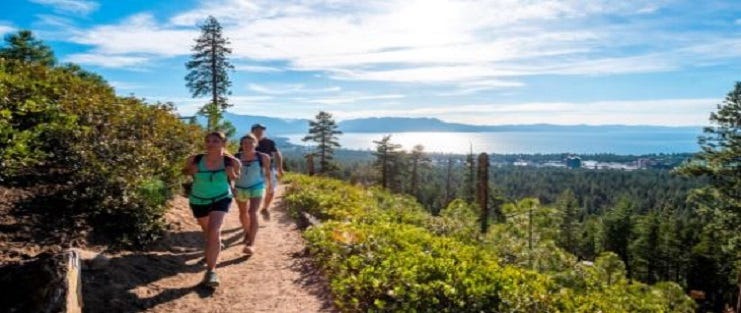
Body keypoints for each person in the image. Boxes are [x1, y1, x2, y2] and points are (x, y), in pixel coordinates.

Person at [182, 131, 241, 287]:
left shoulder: (231, 161)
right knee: (208, 232)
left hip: (221, 197)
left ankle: (211, 272)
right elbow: (185, 172)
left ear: (223, 143)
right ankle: (213, 247)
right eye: (208, 141)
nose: (211, 143)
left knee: (214, 230)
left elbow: (236, 177)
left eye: (215, 141)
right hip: (198, 199)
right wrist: (190, 171)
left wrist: (232, 175)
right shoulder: (194, 159)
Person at [233, 134, 271, 256]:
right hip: (240, 188)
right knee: (243, 212)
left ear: (256, 144)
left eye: (251, 143)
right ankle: (247, 231)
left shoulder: (263, 157)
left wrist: (269, 186)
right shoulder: (235, 158)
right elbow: (229, 175)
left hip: (257, 187)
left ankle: (251, 244)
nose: (248, 145)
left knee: (252, 212)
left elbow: (267, 173)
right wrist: (231, 187)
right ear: (241, 144)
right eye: (245, 143)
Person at [251, 124, 284, 219]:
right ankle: (253, 211)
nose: (260, 132)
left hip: (269, 169)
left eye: (262, 130)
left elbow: (277, 154)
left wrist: (280, 168)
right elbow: (241, 155)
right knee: (255, 191)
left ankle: (265, 207)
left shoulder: (269, 142)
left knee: (271, 190)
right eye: (258, 130)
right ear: (252, 131)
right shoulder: (247, 141)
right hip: (254, 170)